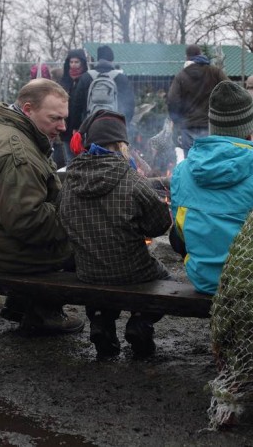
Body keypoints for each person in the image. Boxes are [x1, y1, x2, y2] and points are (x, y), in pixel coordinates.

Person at [0, 78, 84, 334]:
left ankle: (23, 305)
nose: (63, 126)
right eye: (55, 118)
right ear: (27, 109)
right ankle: (44, 314)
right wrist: (78, 216)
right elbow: (27, 222)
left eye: (64, 118)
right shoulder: (16, 154)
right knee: (89, 249)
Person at [59, 110, 172, 357]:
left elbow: (64, 220)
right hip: (134, 270)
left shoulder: (69, 181)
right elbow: (160, 224)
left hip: (88, 271)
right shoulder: (131, 179)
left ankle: (101, 321)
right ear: (121, 144)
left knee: (100, 276)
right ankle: (141, 321)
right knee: (167, 281)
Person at [170, 81, 253, 295]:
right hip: (252, 283)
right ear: (251, 128)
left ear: (213, 126)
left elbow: (180, 234)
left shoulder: (182, 171)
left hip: (202, 279)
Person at [167, 44, 228, 155]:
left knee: (191, 161)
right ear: (200, 54)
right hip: (211, 125)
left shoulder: (181, 76)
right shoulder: (215, 72)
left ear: (187, 57)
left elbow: (172, 100)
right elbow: (230, 90)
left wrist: (177, 120)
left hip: (188, 126)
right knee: (210, 159)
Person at [72, 45, 136, 129]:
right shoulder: (121, 78)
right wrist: (124, 124)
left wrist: (77, 127)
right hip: (114, 127)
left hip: (90, 126)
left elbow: (77, 105)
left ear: (98, 59)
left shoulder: (86, 77)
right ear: (112, 60)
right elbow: (129, 105)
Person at [52, 49, 89, 169]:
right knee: (69, 161)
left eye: (76, 62)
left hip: (81, 127)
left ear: (82, 63)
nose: (73, 65)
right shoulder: (65, 81)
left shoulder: (86, 79)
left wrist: (78, 127)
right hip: (66, 128)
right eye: (71, 62)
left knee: (82, 161)